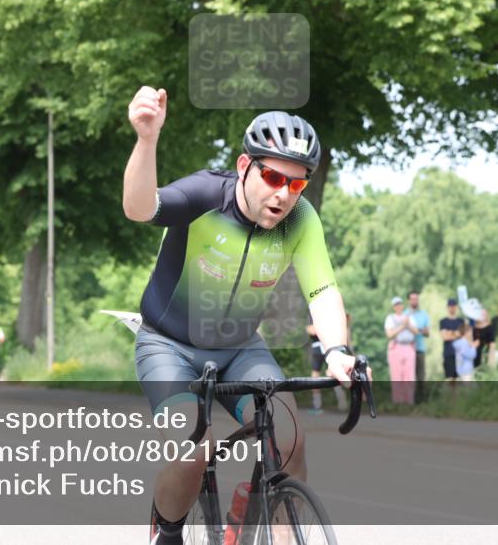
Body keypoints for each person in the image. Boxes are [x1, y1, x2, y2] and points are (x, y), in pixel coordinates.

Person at [123, 89, 358, 545]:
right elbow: (139, 208)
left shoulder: (301, 219)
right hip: (168, 346)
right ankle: (167, 533)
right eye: (273, 176)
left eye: (297, 183)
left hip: (240, 350)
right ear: (245, 166)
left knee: (289, 440)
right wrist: (146, 140)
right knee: (195, 449)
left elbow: (323, 289)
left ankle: (256, 513)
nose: (283, 193)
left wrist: (337, 351)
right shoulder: (206, 194)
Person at [305, 313, 349, 414]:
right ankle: (317, 405)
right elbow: (311, 330)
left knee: (333, 373)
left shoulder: (328, 312)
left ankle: (342, 402)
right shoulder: (311, 315)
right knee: (315, 376)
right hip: (317, 348)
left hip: (330, 347)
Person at [384, 296, 416, 404]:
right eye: (396, 305)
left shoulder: (409, 317)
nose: (398, 306)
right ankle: (397, 402)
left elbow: (416, 331)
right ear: (394, 307)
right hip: (396, 347)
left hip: (409, 347)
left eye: (400, 304)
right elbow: (390, 334)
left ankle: (409, 401)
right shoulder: (390, 318)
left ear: (402, 305)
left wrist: (408, 324)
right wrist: (403, 326)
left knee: (409, 376)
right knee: (397, 376)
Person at [406, 291, 430, 402]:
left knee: (421, 377)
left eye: (416, 299)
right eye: (412, 299)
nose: (415, 301)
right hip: (406, 349)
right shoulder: (404, 314)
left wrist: (415, 330)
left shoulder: (424, 314)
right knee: (408, 377)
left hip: (419, 349)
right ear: (409, 300)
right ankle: (409, 401)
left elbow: (427, 332)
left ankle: (422, 401)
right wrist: (419, 330)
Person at [439, 298, 465, 381]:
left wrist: (450, 333)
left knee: (460, 379)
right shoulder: (443, 321)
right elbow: (445, 337)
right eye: (450, 306)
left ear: (456, 307)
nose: (452, 308)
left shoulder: (461, 321)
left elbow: (464, 336)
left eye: (453, 306)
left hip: (461, 354)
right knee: (450, 380)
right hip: (448, 353)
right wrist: (456, 334)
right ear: (447, 307)